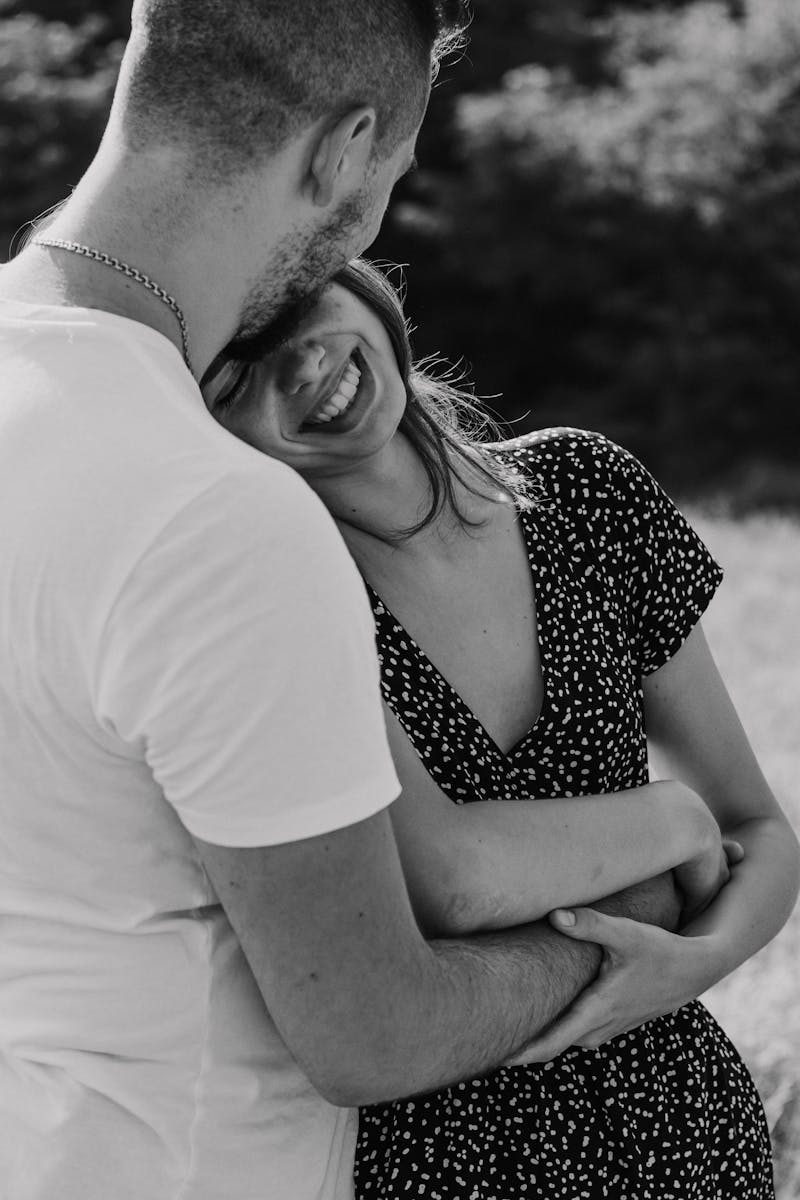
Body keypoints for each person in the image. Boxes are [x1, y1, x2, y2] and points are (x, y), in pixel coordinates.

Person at [0, 4, 713, 1199]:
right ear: (345, 148)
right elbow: (372, 1032)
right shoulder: (217, 512)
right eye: (394, 173)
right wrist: (631, 897)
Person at [201, 257, 800, 1199]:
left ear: (359, 282)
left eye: (294, 301)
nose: (300, 361)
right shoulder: (286, 596)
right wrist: (675, 822)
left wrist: (691, 965)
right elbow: (457, 887)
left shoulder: (586, 490)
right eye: (233, 373)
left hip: (686, 1126)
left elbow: (760, 830)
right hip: (443, 1161)